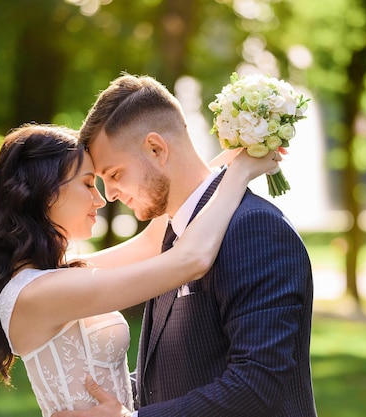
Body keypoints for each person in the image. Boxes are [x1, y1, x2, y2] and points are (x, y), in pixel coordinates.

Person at [0, 123, 279, 417]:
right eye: (88, 183)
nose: (100, 199)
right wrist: (241, 173)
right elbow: (190, 260)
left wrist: (230, 156)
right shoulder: (40, 292)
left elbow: (151, 243)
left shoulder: (52, 279)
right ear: (47, 192)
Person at [54, 74, 317, 417]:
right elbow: (178, 375)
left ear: (156, 149)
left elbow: (257, 385)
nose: (111, 195)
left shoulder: (254, 229)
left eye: (115, 174)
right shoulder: (175, 237)